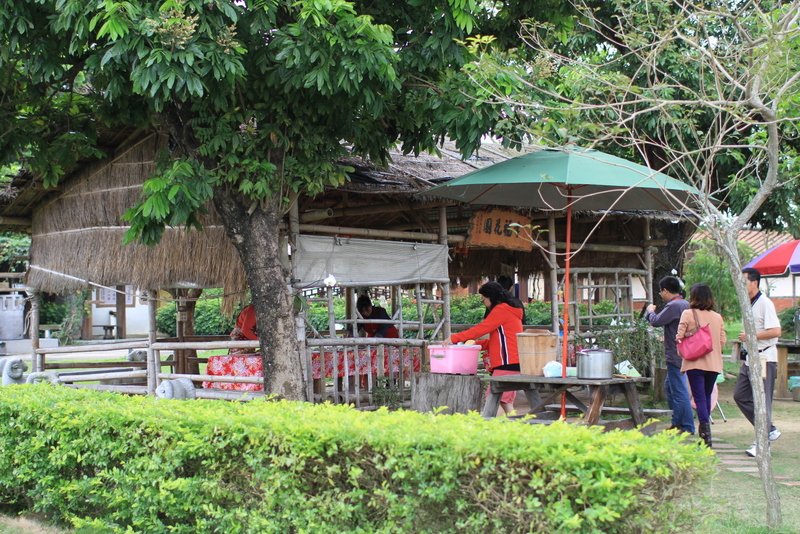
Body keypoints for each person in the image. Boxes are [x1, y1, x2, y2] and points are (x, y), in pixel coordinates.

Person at [449, 281, 524, 414]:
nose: (483, 302)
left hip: (506, 363)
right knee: (505, 402)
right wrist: (476, 344)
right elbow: (497, 341)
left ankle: (494, 430)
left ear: (491, 297)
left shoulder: (501, 310)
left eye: (484, 299)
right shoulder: (510, 311)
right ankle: (515, 428)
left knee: (495, 399)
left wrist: (454, 338)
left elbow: (481, 329)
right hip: (511, 362)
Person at [734, 267, 782, 457]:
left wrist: (750, 336)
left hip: (764, 357)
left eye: (744, 281)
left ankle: (763, 443)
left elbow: (776, 331)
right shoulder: (749, 303)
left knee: (763, 400)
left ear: (754, 282)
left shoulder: (765, 303)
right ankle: (768, 429)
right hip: (750, 358)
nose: (741, 285)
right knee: (740, 395)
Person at [676, 283, 726, 447]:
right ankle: (705, 434)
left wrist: (681, 350)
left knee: (699, 399)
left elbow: (679, 336)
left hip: (694, 363)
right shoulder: (718, 317)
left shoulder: (688, 313)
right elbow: (722, 341)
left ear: (694, 297)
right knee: (704, 396)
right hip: (713, 365)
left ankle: (706, 435)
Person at [646, 276, 694, 434]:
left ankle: (686, 426)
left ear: (666, 290)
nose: (660, 294)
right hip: (685, 353)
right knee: (670, 387)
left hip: (676, 355)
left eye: (661, 291)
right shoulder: (685, 304)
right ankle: (677, 422)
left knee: (679, 391)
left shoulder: (674, 305)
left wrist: (650, 312)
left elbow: (656, 321)